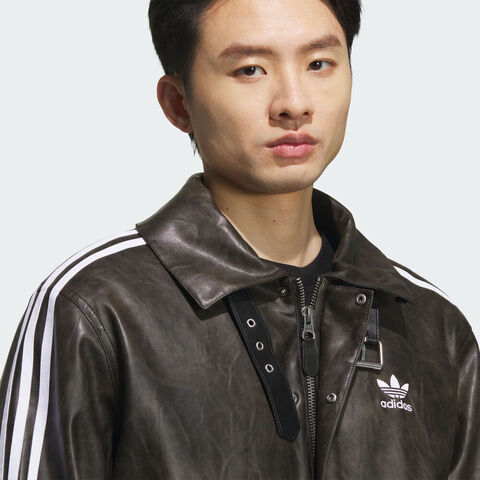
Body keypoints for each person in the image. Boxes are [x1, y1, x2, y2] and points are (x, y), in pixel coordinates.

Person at [1, 0, 479, 478]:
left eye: (318, 64)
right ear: (178, 103)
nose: (294, 103)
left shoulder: (433, 328)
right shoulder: (95, 308)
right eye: (250, 69)